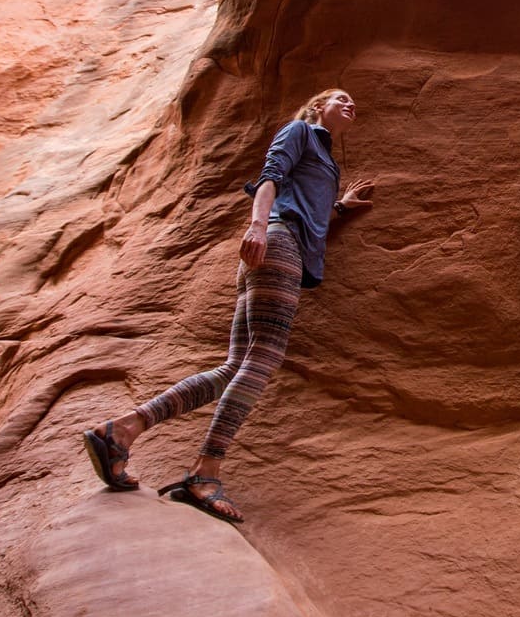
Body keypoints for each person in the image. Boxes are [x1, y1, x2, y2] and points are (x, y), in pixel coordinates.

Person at [80, 87, 374, 523]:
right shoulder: (300, 131)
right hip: (277, 242)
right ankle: (205, 471)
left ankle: (121, 430)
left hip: (283, 242)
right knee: (265, 359)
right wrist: (257, 226)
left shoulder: (327, 160)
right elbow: (271, 176)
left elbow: (308, 209)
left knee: (235, 365)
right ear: (317, 106)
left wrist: (340, 207)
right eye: (341, 98)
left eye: (354, 101)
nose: (351, 105)